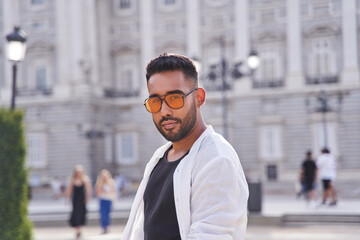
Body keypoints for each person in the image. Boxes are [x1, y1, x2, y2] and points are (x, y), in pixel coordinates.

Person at [122, 53, 249, 239]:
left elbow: (211, 235)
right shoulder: (161, 156)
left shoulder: (216, 159)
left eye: (174, 98)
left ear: (199, 98)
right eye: (155, 101)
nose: (164, 111)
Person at [66, 165, 92, 239]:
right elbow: (69, 190)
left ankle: (79, 229)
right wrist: (67, 199)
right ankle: (77, 230)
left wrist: (87, 198)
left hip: (82, 200)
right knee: (75, 214)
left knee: (81, 214)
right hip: (75, 200)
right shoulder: (73, 180)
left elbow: (88, 190)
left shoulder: (85, 180)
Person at [95, 169, 116, 234]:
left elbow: (113, 192)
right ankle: (103, 227)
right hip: (102, 200)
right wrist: (102, 189)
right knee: (103, 215)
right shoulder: (99, 183)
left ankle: (107, 227)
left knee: (107, 215)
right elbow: (97, 192)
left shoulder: (111, 183)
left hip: (108, 200)